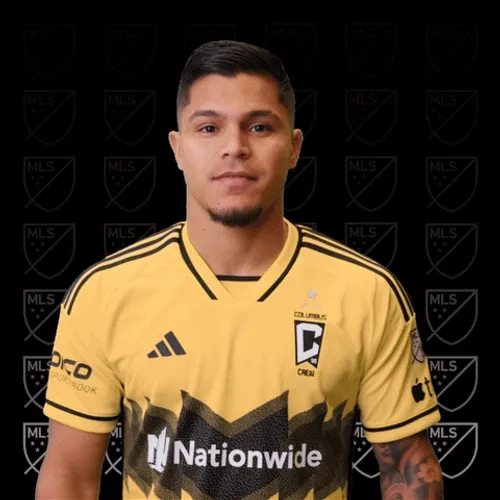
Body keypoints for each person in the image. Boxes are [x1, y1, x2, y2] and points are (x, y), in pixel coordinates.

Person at [35, 40, 443, 500]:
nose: (235, 147)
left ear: (294, 147)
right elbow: (69, 475)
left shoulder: (368, 292)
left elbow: (408, 471)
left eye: (259, 126)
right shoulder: (104, 292)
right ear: (178, 149)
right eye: (209, 127)